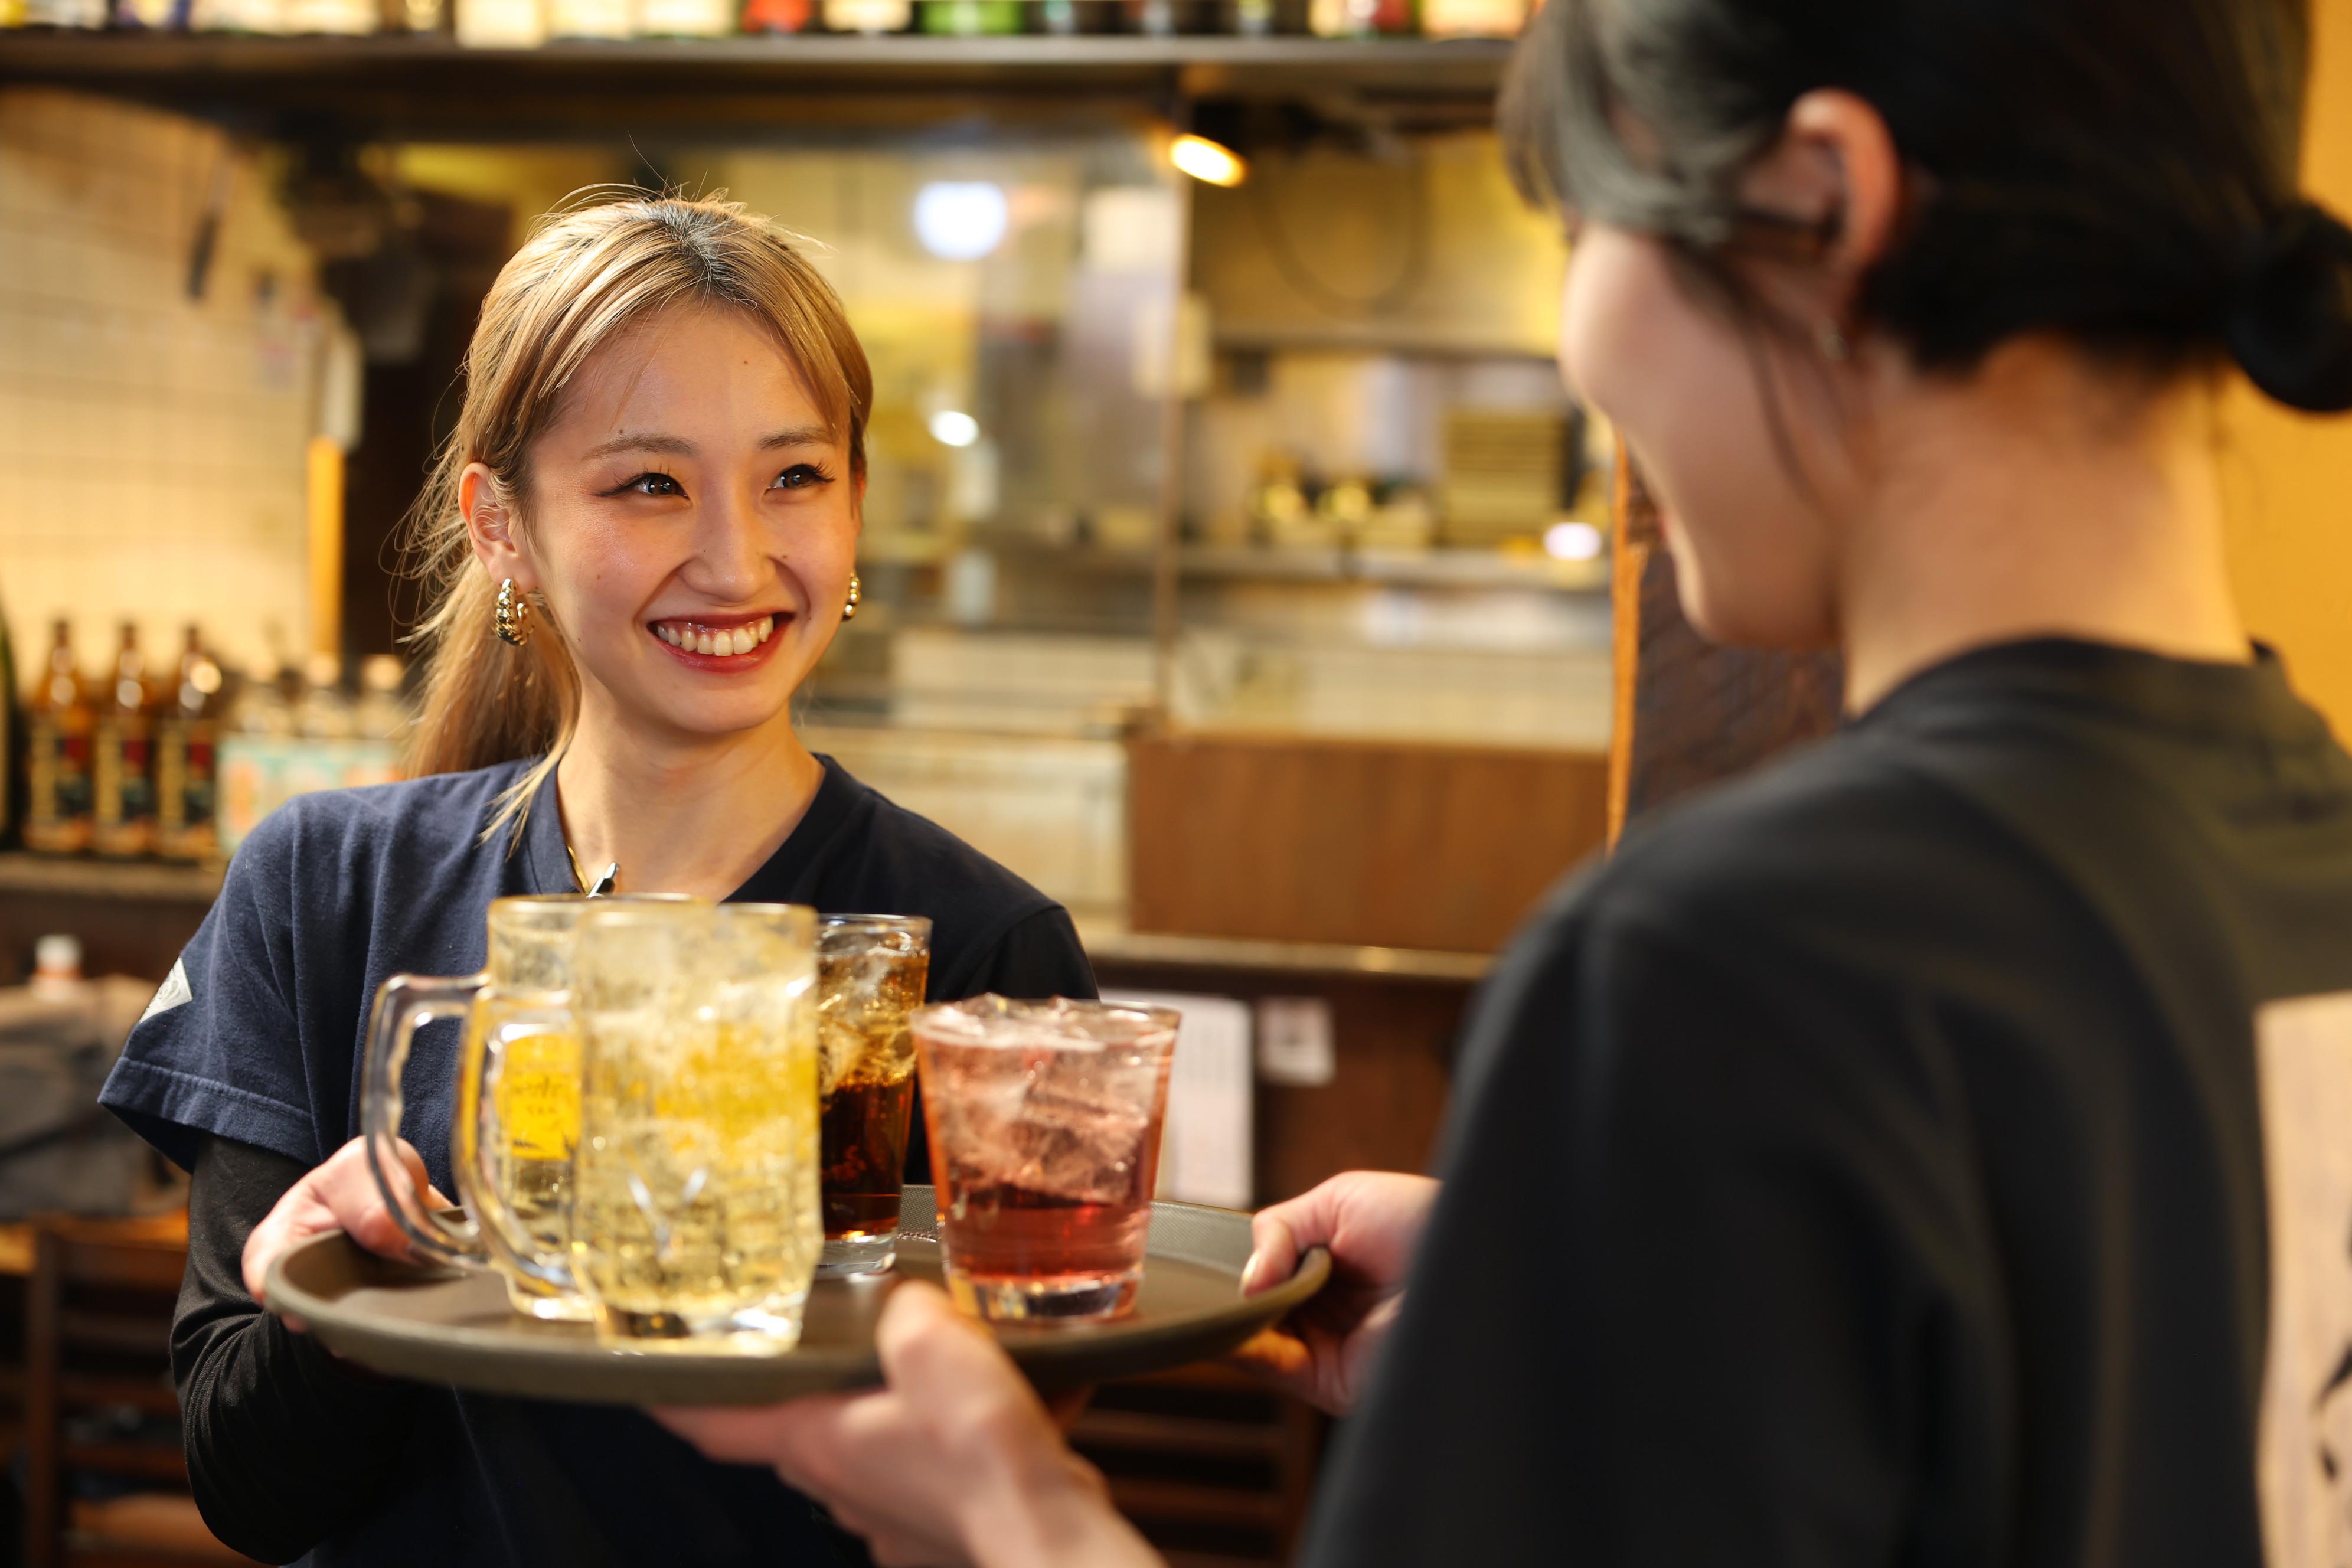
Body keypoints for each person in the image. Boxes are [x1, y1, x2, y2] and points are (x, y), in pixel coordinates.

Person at [658, 0, 2352, 1563]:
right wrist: (1602, 1327)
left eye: (1588, 228)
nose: (1578, 349)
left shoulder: (1728, 963)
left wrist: (1010, 1516)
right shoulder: (2301, 853)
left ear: (1824, 207)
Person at [96, 195, 1096, 1567]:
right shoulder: (321, 890)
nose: (739, 558)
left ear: (859, 499)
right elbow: (250, 1489)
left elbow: (993, 1500)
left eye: (795, 476)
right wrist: (354, 1291)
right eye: (650, 483)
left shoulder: (980, 950)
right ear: (501, 526)